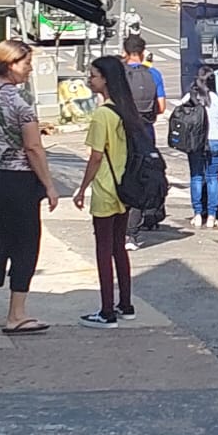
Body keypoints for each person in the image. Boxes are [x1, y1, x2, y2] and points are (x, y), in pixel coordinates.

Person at [0, 39, 59, 336]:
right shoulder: (20, 103)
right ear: (10, 64)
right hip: (17, 182)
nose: (29, 70)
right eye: (26, 63)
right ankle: (16, 314)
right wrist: (49, 185)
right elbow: (33, 147)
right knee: (25, 244)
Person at [72, 56, 144, 329]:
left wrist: (81, 189)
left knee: (103, 250)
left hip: (104, 188)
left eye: (93, 76)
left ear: (105, 80)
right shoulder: (126, 110)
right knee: (118, 248)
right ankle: (125, 304)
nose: (90, 80)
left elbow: (95, 157)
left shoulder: (102, 114)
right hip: (125, 188)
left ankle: (106, 311)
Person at [176, 66, 218, 228]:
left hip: (195, 142)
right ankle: (212, 216)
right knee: (212, 178)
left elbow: (177, 116)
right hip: (216, 140)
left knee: (196, 176)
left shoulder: (189, 98)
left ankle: (197, 214)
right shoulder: (216, 100)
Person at [122, 34, 166, 249]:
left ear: (124, 52)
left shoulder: (120, 75)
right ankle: (132, 234)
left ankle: (118, 229)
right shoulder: (154, 74)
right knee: (140, 181)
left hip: (122, 133)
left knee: (120, 177)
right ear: (143, 51)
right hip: (146, 133)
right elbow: (162, 106)